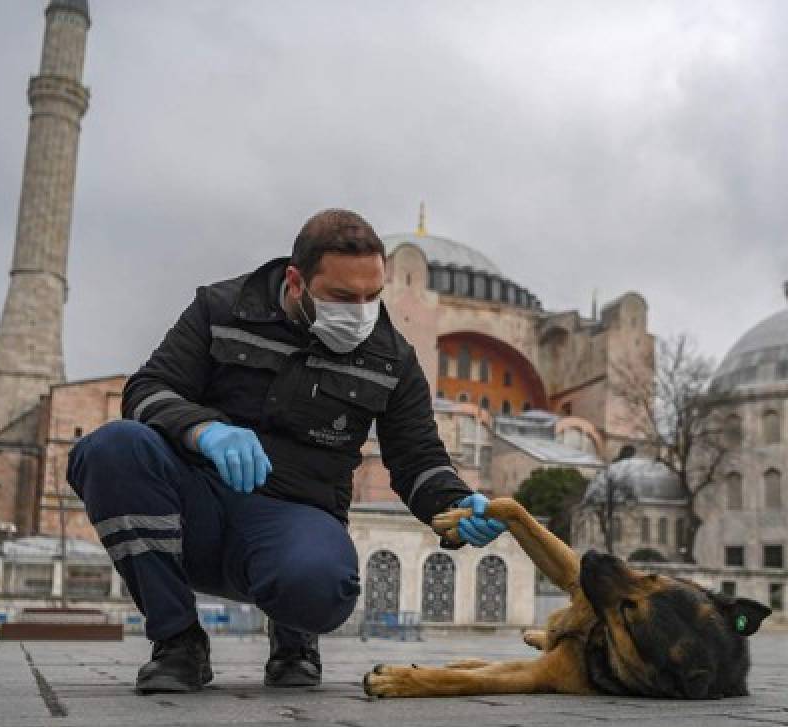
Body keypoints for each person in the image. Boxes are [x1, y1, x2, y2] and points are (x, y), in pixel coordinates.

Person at [68, 209, 505, 694]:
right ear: (296, 281)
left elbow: (416, 456)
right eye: (343, 297)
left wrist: (454, 505)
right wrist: (204, 429)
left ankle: (295, 639)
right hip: (194, 506)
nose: (361, 312)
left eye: (372, 296)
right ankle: (177, 642)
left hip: (293, 516)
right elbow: (148, 389)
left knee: (319, 586)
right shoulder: (222, 309)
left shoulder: (392, 358)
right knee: (111, 447)